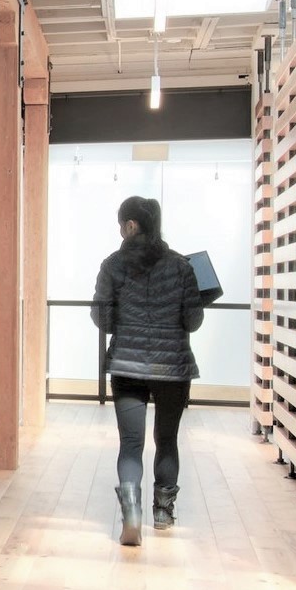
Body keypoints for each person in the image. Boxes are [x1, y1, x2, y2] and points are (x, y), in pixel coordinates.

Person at [90, 195, 203, 547]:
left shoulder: (112, 266)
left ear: (130, 225)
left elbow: (103, 319)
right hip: (172, 367)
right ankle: (163, 513)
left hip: (127, 365)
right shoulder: (182, 267)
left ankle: (132, 514)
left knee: (131, 444)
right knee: (166, 440)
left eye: (120, 224)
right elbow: (193, 321)